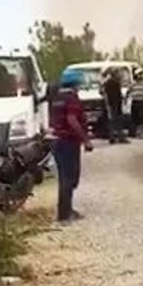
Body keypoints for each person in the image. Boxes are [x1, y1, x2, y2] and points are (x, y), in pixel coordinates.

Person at [50, 69, 93, 223]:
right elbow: (72, 119)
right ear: (76, 83)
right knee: (70, 178)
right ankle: (64, 214)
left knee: (65, 177)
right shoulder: (71, 98)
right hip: (68, 142)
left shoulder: (57, 98)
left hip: (57, 141)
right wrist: (85, 139)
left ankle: (67, 209)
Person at [102, 68, 128, 144]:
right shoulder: (115, 83)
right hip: (114, 104)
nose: (119, 75)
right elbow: (119, 94)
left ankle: (112, 137)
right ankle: (120, 137)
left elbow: (102, 92)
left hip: (110, 104)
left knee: (112, 121)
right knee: (117, 121)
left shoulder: (107, 83)